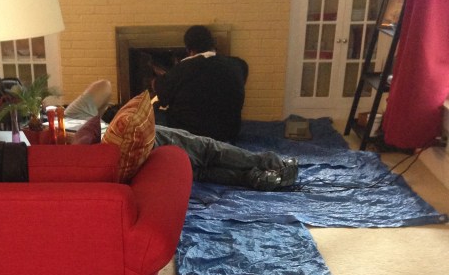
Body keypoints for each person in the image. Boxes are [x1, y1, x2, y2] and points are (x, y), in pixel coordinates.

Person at [64, 80, 298, 191]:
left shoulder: (57, 133)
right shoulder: (72, 115)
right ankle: (269, 163)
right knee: (205, 149)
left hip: (117, 164)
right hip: (128, 139)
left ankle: (257, 178)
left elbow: (103, 87)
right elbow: (103, 86)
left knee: (197, 170)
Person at [152, 25, 248, 142]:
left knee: (156, 113)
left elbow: (163, 96)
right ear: (213, 45)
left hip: (190, 135)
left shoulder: (180, 70)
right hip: (228, 133)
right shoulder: (238, 65)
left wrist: (156, 81)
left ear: (189, 50)